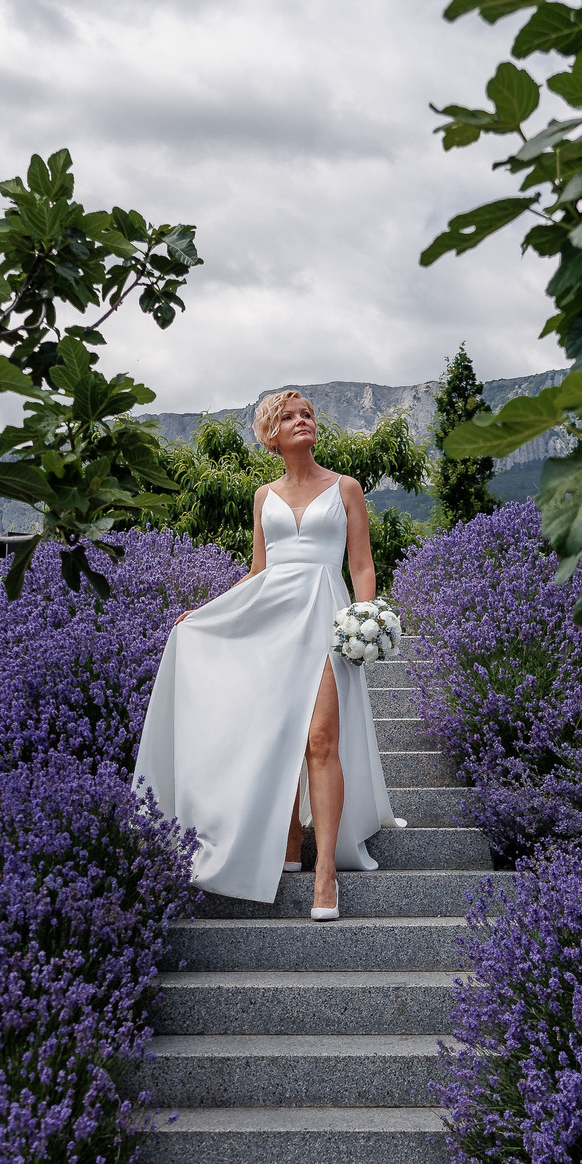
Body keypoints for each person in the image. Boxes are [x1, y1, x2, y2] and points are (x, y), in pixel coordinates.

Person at [133, 388, 396, 919]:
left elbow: (361, 565)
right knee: (278, 733)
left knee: (320, 738)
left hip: (325, 616)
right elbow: (258, 572)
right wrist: (205, 614)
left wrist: (364, 617)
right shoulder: (262, 496)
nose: (303, 421)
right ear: (271, 435)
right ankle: (289, 843)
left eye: (308, 415)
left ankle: (325, 875)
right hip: (272, 621)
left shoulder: (346, 488)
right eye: (290, 417)